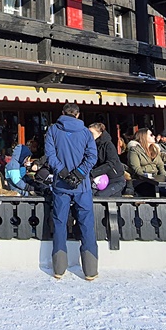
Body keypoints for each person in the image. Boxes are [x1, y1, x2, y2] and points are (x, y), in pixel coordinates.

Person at [44, 103, 98, 280]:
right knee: (86, 224)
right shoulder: (85, 132)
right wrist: (80, 173)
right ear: (78, 114)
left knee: (60, 223)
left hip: (61, 184)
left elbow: (50, 156)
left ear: (62, 113)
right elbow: (92, 156)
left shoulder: (53, 130)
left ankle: (59, 268)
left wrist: (64, 172)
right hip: (82, 186)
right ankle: (90, 270)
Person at [125, 128, 166, 196]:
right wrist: (149, 173)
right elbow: (136, 169)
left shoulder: (154, 149)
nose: (154, 136)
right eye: (151, 135)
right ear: (143, 137)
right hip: (141, 181)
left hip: (156, 179)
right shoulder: (134, 150)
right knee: (153, 191)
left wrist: (164, 177)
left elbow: (160, 165)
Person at [88, 122, 126, 197]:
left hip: (115, 179)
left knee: (101, 196)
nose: (89, 135)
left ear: (100, 133)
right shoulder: (92, 145)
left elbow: (111, 163)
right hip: (100, 179)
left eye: (91, 133)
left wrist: (93, 173)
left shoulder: (108, 145)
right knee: (91, 195)